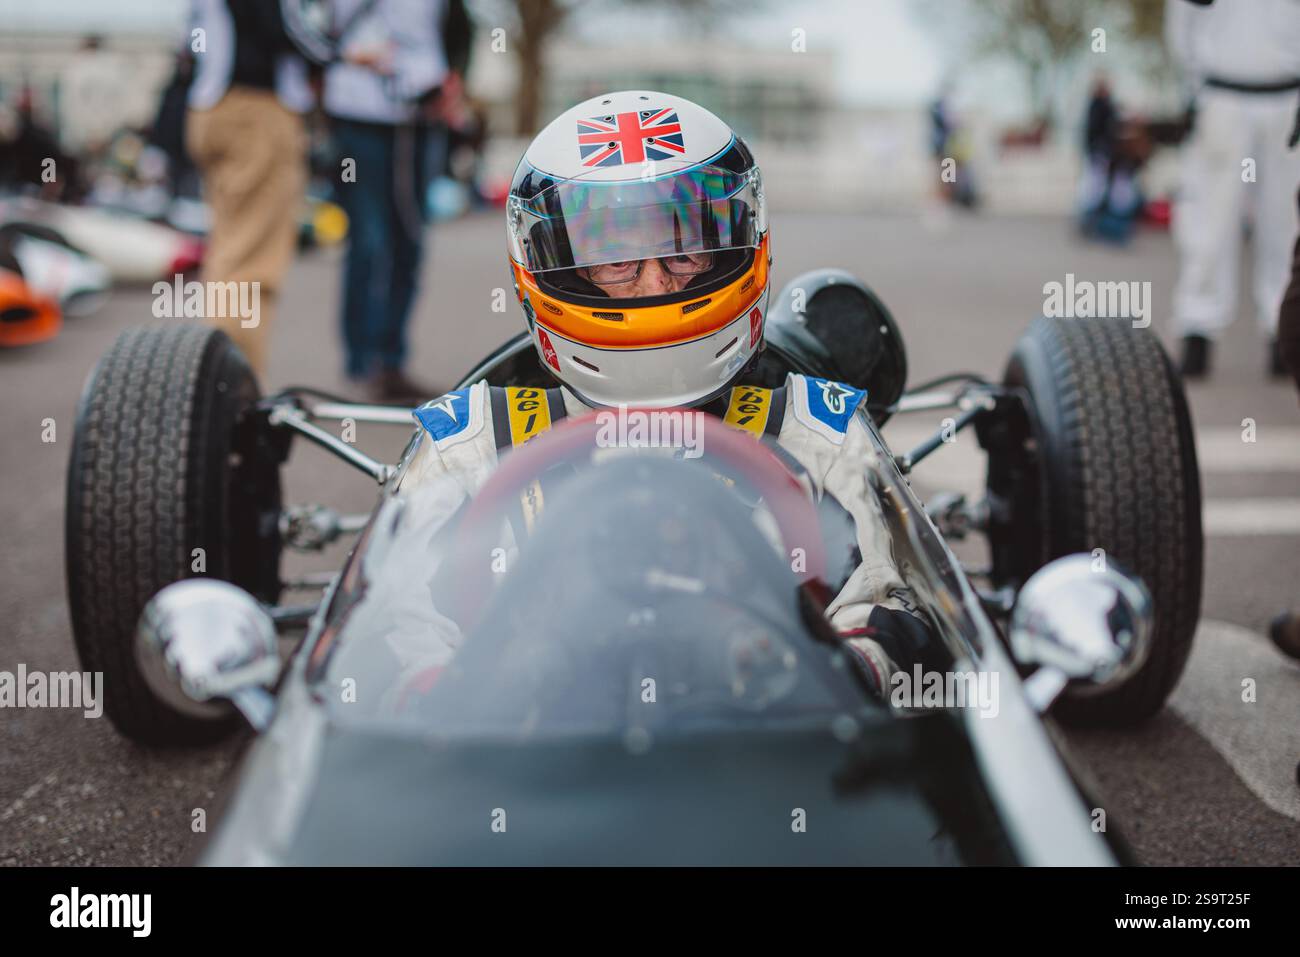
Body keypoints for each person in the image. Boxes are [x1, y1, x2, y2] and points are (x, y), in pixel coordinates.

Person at [394, 91, 930, 690]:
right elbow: (397, 628)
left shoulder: (818, 431)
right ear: (547, 263)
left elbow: (889, 608)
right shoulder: (467, 441)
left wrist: (832, 675)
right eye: (612, 257)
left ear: (743, 237)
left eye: (685, 250)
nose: (654, 284)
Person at [325, 0, 473, 404]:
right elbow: (308, 29)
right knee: (370, 241)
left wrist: (453, 80)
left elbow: (461, 28)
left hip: (420, 120)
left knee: (409, 241)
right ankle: (363, 363)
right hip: (358, 118)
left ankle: (391, 363)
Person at [186, 0, 334, 378]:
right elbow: (286, 28)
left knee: (229, 253)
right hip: (255, 110)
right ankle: (231, 395)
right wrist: (339, 55)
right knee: (251, 262)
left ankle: (214, 382)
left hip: (213, 105)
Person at [1165, 0, 1300, 379]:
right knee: (1209, 219)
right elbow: (1182, 23)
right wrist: (1196, 86)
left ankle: (1281, 329)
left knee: (1286, 221)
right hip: (1223, 93)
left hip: (1288, 94)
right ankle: (1198, 325)